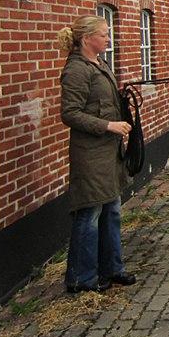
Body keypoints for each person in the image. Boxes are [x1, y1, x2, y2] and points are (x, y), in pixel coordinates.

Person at [57, 15, 137, 293]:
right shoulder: (77, 70)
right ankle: (82, 279)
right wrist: (108, 125)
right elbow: (70, 114)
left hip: (108, 151)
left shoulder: (99, 64)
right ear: (87, 38)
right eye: (103, 34)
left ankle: (112, 269)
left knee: (112, 210)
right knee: (89, 213)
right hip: (90, 154)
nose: (108, 38)